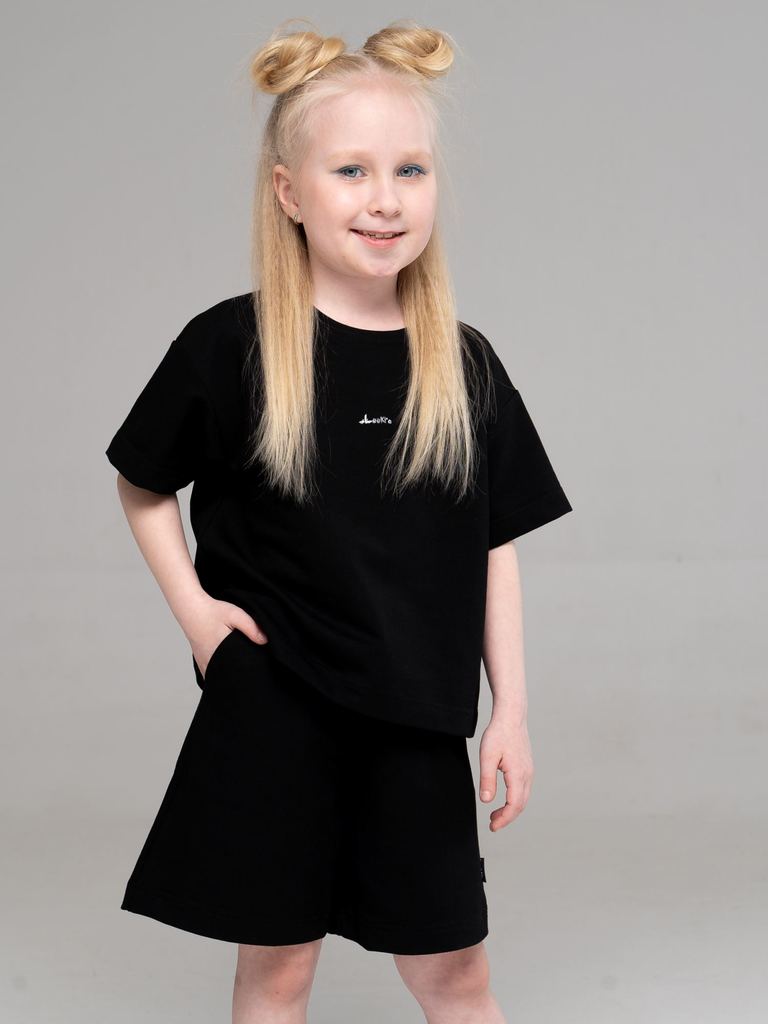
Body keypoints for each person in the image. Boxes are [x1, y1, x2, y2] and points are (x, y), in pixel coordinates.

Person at [105, 18, 573, 1024]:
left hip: (417, 719)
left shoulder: (464, 364)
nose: (385, 199)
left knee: (455, 975)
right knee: (277, 971)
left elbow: (493, 545)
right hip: (275, 712)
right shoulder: (231, 346)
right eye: (352, 170)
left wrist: (512, 711)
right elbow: (142, 484)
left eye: (410, 170)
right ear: (289, 192)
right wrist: (197, 616)